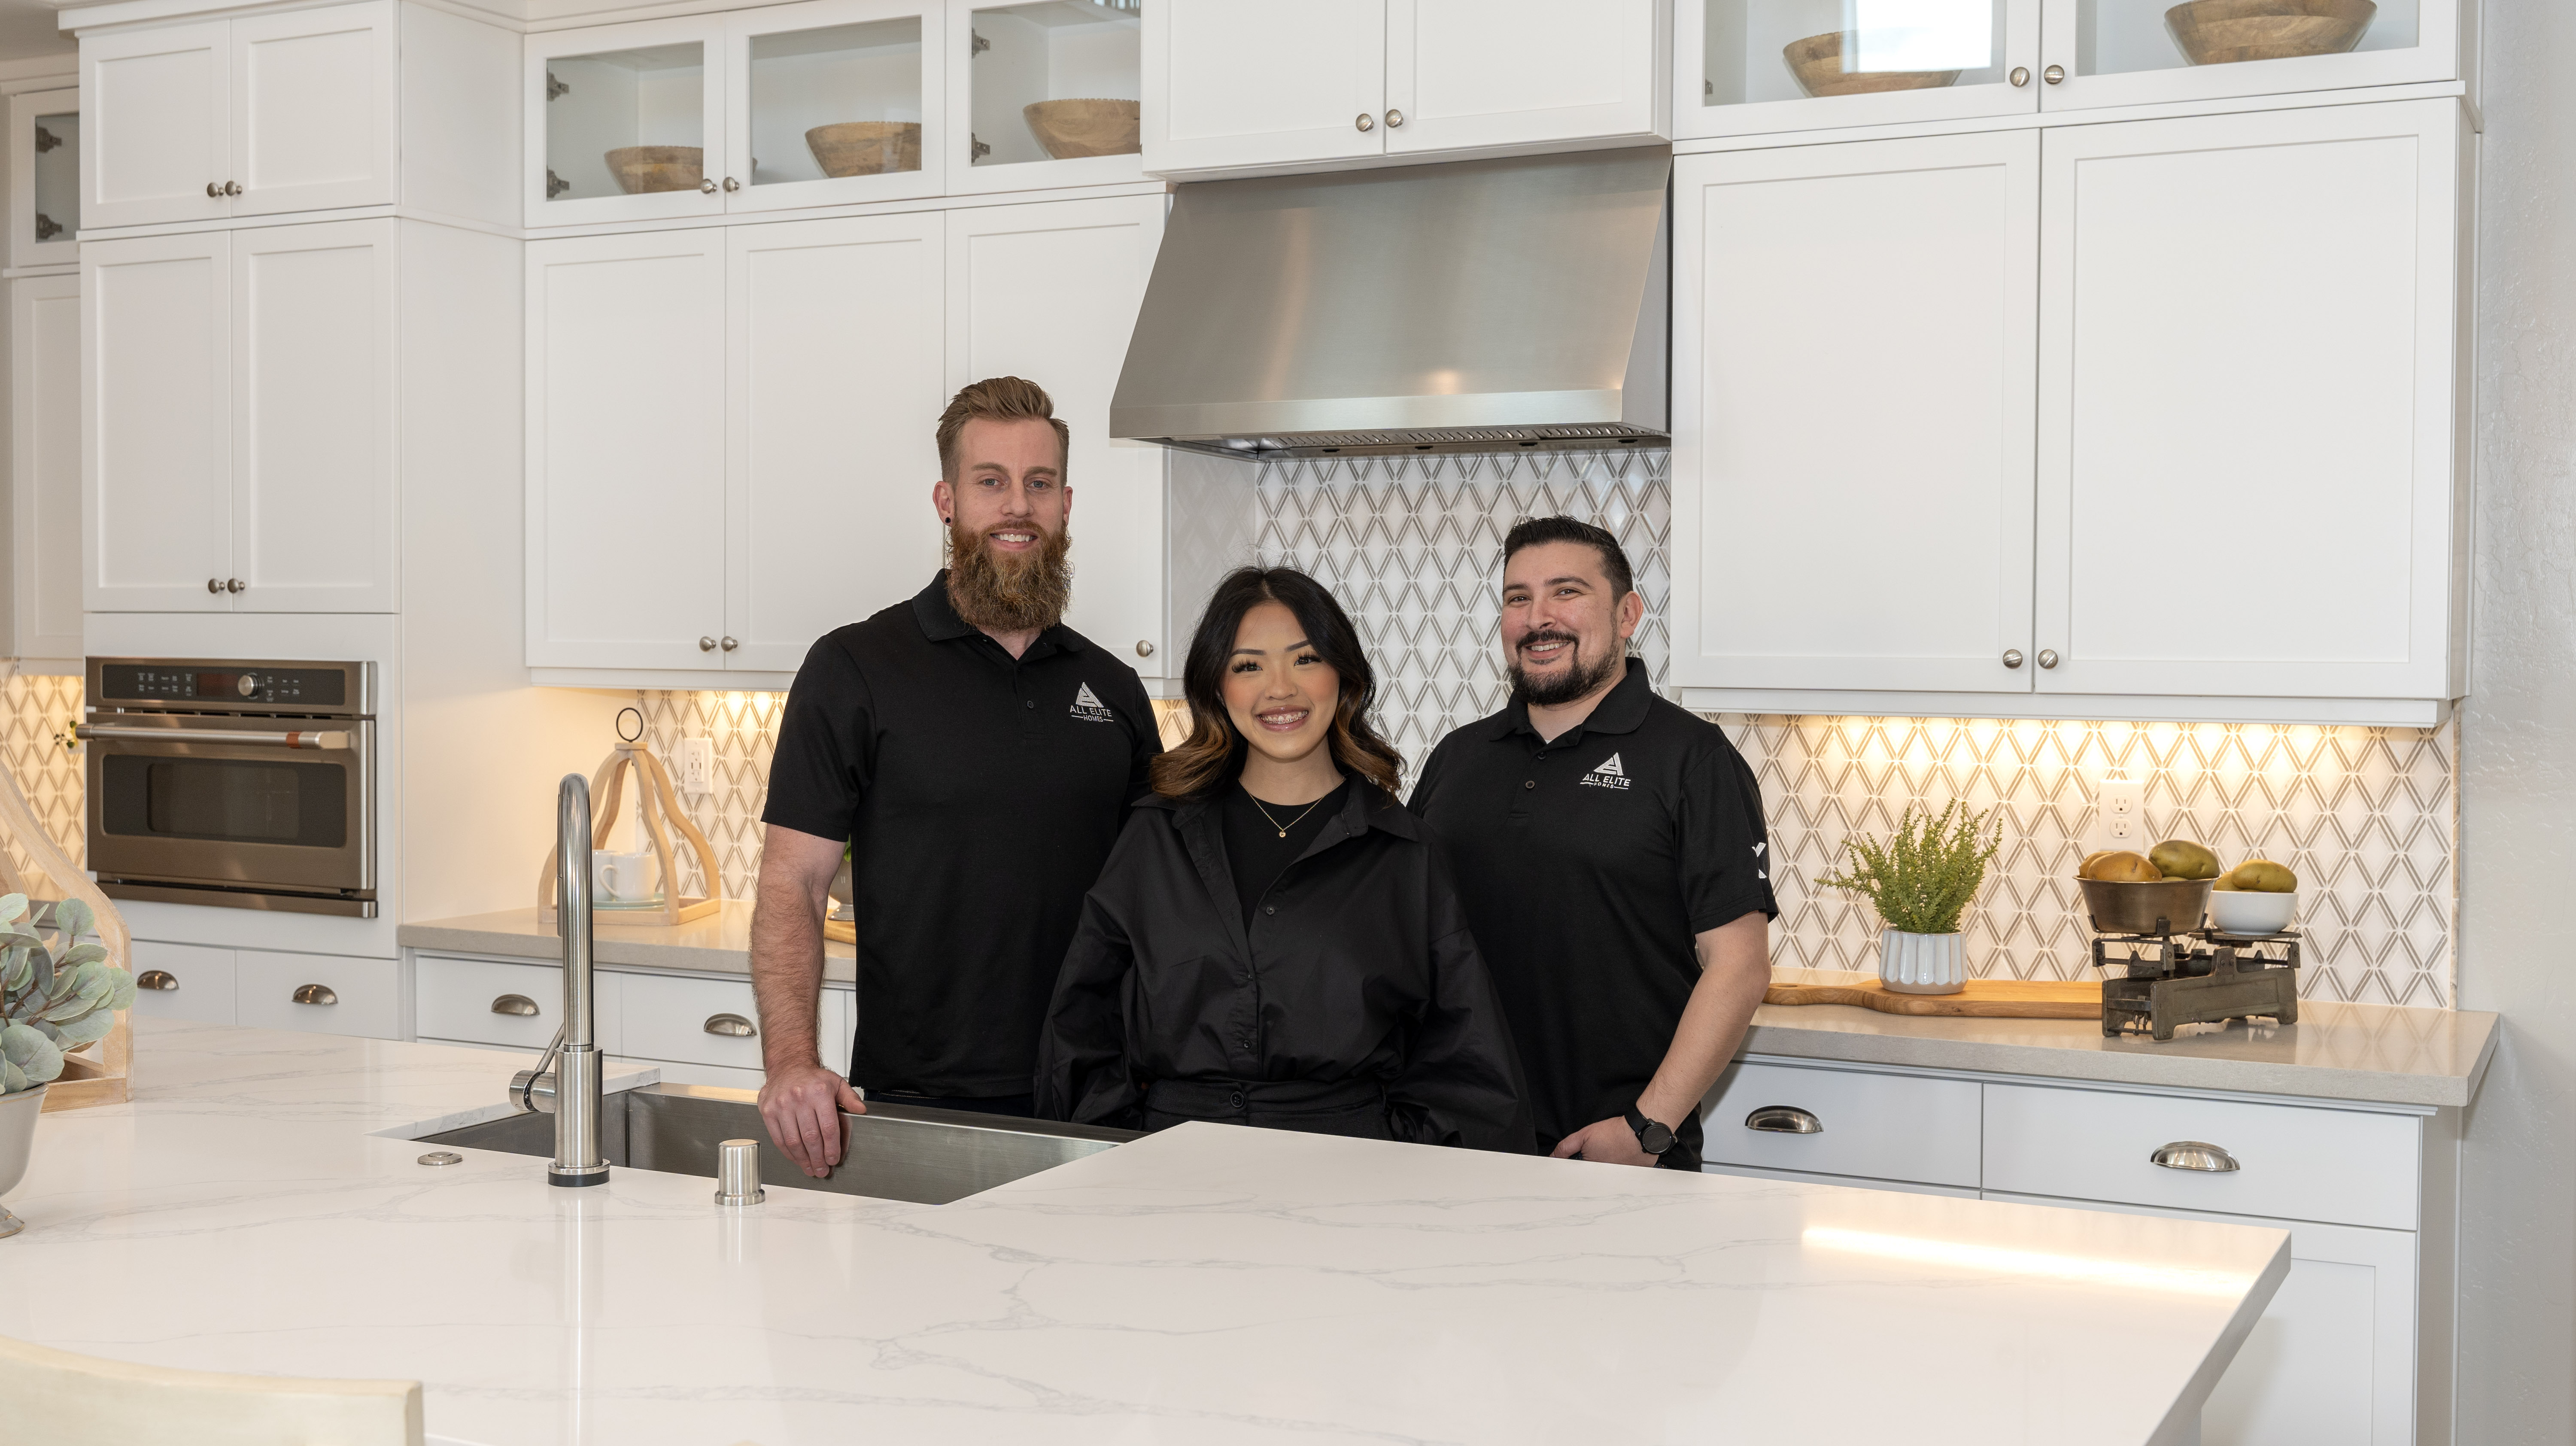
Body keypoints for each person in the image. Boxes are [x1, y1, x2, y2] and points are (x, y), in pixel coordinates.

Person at [750, 377, 1160, 1178]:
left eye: (1039, 484)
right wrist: (792, 1062)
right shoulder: (856, 670)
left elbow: (1160, 899)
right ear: (947, 499)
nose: (1018, 506)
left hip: (1098, 1095)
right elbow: (791, 885)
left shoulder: (1112, 690)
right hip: (917, 1100)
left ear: (1067, 503)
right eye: (991, 482)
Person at [1033, 566, 1530, 1151]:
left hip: (1350, 1173)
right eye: (1248, 666)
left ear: (1342, 678)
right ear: (1218, 688)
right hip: (1170, 1170)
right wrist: (1122, 1155)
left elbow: (1466, 1064)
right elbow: (1081, 1028)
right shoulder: (1155, 836)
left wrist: (1390, 1158)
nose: (1280, 690)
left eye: (1305, 659)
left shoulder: (1405, 854)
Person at [1409, 516, 1777, 1171]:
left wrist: (1647, 1127)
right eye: (1517, 598)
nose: (1537, 617)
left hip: (1607, 1153)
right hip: (1451, 1142)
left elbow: (1740, 967)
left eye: (1567, 592)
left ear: (1628, 613)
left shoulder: (1692, 760)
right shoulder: (1457, 758)